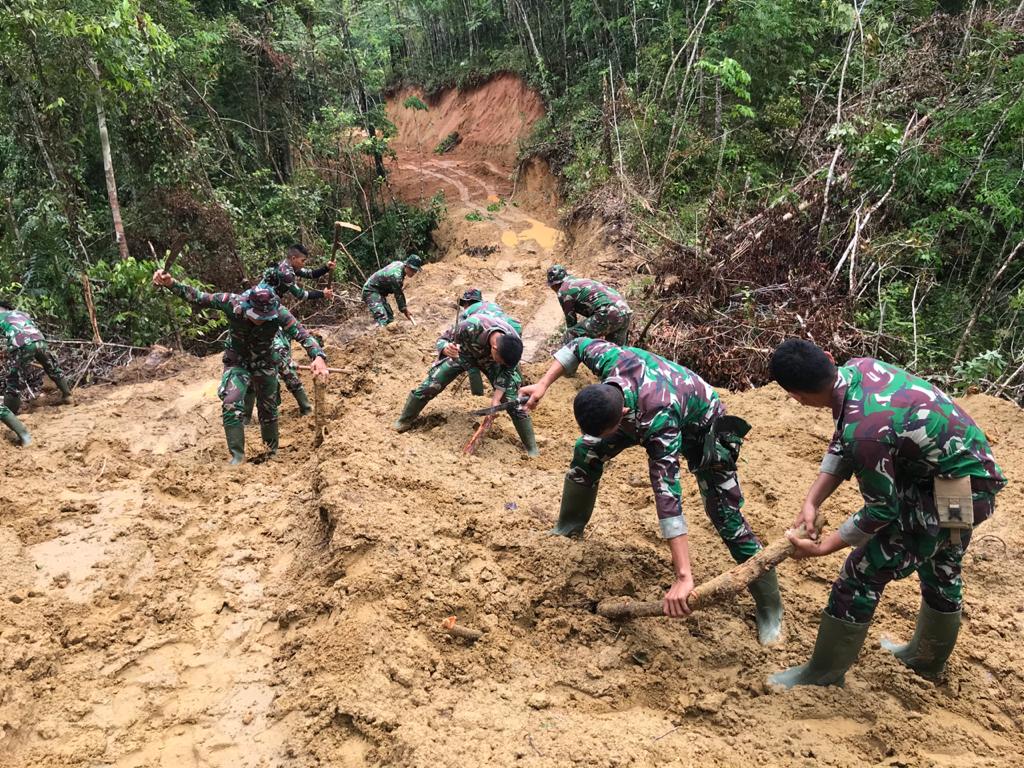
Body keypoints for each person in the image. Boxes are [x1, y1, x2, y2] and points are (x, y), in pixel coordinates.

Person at [766, 339, 1006, 687]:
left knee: (864, 569)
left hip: (956, 491)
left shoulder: (865, 433)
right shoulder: (861, 369)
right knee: (943, 560)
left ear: (796, 396)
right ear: (830, 359)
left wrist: (824, 547)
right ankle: (926, 659)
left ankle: (822, 673)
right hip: (963, 477)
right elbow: (844, 441)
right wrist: (811, 502)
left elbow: (881, 508)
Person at [520, 338, 783, 644]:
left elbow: (667, 495)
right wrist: (542, 384)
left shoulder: (660, 421)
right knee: (588, 450)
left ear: (624, 415)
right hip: (645, 405)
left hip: (703, 425)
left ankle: (770, 607)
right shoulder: (609, 360)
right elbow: (577, 345)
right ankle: (568, 527)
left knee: (724, 514)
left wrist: (684, 576)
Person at [152, 270, 328, 464]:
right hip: (238, 361)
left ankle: (271, 452)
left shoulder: (278, 311)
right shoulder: (232, 302)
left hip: (265, 361)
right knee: (231, 402)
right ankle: (237, 457)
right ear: (248, 306)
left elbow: (302, 334)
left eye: (265, 317)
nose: (260, 320)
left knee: (268, 408)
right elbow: (198, 297)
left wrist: (318, 356)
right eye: (257, 315)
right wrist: (171, 283)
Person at [394, 307, 539, 457]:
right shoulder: (470, 326)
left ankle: (531, 448)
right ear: (494, 348)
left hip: (491, 364)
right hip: (463, 354)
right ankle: (404, 420)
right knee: (433, 383)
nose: (503, 363)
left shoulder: (513, 344)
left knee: (511, 400)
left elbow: (507, 371)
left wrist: (496, 399)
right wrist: (446, 348)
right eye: (501, 360)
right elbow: (441, 340)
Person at [252, 243, 335, 418]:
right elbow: (301, 295)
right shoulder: (285, 272)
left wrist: (325, 269)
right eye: (303, 260)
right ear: (293, 258)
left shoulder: (289, 267)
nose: (304, 264)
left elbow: (310, 274)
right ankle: (298, 404)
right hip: (265, 311)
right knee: (280, 358)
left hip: (273, 309)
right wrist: (322, 294)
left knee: (285, 350)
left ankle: (303, 405)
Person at [0, 298, 72, 414]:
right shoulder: (22, 314)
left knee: (14, 378)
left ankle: (10, 413)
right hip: (40, 341)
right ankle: (67, 395)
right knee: (52, 367)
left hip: (22, 345)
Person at [433, 288, 504, 397]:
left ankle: (477, 397)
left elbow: (444, 339)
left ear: (466, 303)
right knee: (508, 391)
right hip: (500, 353)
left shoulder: (468, 315)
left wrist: (445, 347)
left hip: (487, 354)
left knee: (431, 384)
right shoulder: (496, 309)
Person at [546, 265, 633, 345]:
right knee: (616, 353)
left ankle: (562, 361)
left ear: (553, 284)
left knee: (571, 334)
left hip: (608, 313)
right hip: (625, 311)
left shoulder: (563, 290)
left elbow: (571, 321)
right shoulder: (582, 281)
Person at [362, 255, 422, 326]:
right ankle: (382, 335)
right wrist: (405, 311)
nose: (414, 273)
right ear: (407, 266)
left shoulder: (399, 264)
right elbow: (399, 295)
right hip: (370, 291)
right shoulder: (396, 276)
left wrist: (405, 310)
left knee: (390, 317)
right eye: (413, 270)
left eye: (415, 271)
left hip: (379, 292)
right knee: (382, 317)